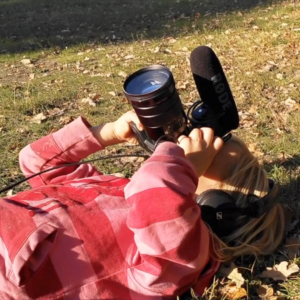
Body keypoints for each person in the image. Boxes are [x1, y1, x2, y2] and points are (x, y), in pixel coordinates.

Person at [0, 110, 285, 300]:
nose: (186, 149)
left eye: (203, 164)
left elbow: (158, 195)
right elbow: (36, 162)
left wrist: (180, 162)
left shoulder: (186, 253)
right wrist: (108, 133)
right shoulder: (120, 188)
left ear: (215, 207)